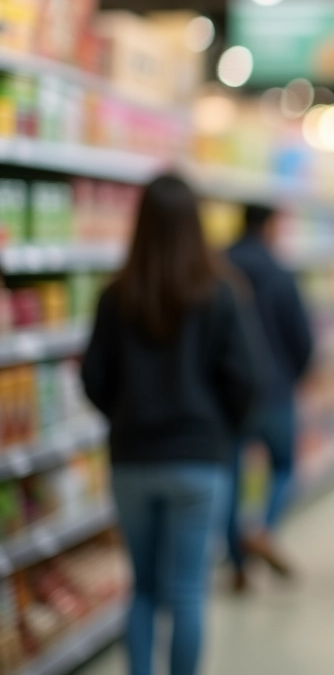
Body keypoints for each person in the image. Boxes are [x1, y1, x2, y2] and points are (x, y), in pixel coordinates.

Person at [81, 174, 259, 675]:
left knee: (142, 588)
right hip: (199, 459)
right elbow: (245, 380)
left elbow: (93, 377)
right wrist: (220, 429)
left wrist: (125, 416)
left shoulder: (115, 296)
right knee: (187, 590)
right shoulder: (220, 294)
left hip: (132, 458)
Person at [225, 204, 314, 589]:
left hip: (229, 396)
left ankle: (237, 563)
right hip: (275, 389)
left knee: (232, 474)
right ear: (270, 227)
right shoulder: (280, 273)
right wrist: (294, 374)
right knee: (283, 467)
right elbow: (301, 336)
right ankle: (263, 529)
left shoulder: (218, 270)